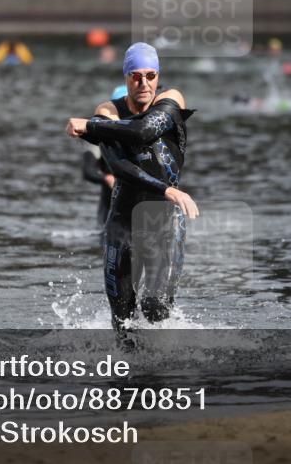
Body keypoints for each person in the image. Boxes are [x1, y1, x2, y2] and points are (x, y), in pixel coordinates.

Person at [66, 43, 199, 332]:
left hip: (164, 222)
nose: (144, 83)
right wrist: (167, 189)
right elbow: (119, 167)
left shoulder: (171, 99)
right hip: (122, 222)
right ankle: (123, 374)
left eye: (150, 75)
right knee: (123, 321)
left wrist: (91, 127)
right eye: (136, 76)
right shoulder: (108, 110)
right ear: (126, 77)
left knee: (155, 309)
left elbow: (142, 132)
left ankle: (159, 373)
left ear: (158, 75)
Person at [81, 85, 125, 226]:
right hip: (109, 207)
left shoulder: (149, 130)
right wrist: (107, 178)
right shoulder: (98, 136)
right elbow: (88, 171)